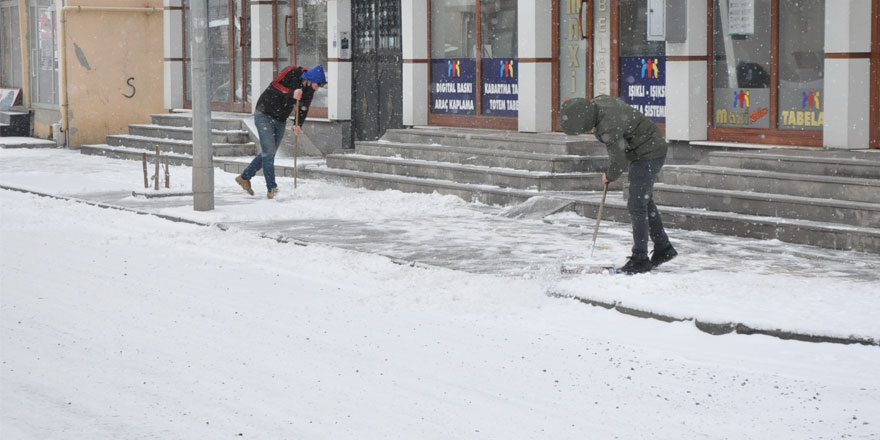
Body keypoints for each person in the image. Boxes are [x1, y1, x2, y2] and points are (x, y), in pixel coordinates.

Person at [559, 96, 677, 274]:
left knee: (637, 205)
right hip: (648, 147)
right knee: (644, 201)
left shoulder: (608, 125)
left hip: (647, 153)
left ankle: (640, 259)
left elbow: (619, 161)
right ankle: (663, 248)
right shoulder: (598, 103)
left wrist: (609, 175)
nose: (589, 130)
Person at [235, 65, 327, 199]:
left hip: (280, 119)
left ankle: (244, 177)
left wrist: (297, 124)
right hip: (264, 113)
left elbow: (304, 107)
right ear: (311, 79)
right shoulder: (293, 72)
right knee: (269, 152)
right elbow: (275, 85)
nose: (317, 88)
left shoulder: (309, 90)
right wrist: (291, 93)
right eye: (317, 85)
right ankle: (272, 189)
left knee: (269, 152)